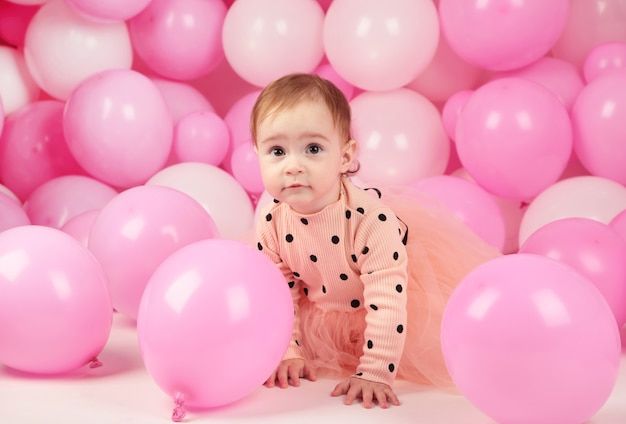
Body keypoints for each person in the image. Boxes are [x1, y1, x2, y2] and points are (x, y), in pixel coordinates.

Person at [251, 73, 501, 409]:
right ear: (258, 155)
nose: (293, 166)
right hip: (323, 305)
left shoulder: (372, 221)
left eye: (313, 149)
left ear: (343, 156)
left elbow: (387, 300)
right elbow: (280, 294)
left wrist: (375, 371)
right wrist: (288, 351)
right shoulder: (271, 223)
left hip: (385, 303)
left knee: (442, 333)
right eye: (277, 151)